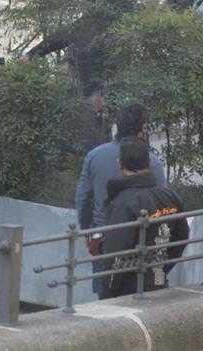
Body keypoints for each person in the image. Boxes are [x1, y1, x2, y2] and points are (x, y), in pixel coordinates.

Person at [75, 101, 168, 297]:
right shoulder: (153, 162)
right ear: (141, 129)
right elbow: (163, 203)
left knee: (106, 295)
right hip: (144, 241)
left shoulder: (94, 156)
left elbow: (82, 199)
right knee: (145, 292)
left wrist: (87, 231)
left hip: (104, 237)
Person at [99, 136, 189, 299]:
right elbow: (181, 237)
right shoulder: (170, 196)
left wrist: (107, 292)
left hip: (129, 290)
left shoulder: (124, 202)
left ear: (120, 164)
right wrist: (161, 266)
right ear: (148, 163)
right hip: (158, 280)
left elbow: (116, 252)